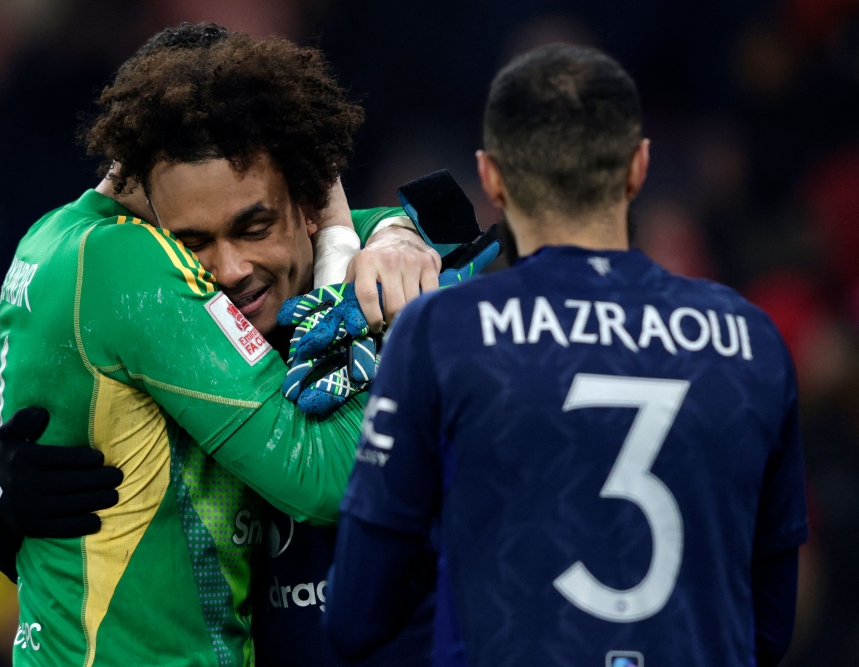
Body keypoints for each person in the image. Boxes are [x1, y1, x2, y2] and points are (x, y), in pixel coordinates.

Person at [0, 23, 442, 666]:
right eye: (190, 243)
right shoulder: (163, 309)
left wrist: (393, 234)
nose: (229, 269)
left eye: (255, 226)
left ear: (310, 206)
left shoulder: (429, 309)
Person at [325, 44, 808, 667]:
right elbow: (768, 629)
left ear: (491, 177)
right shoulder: (751, 339)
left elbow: (355, 618)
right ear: (638, 167)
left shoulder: (443, 332)